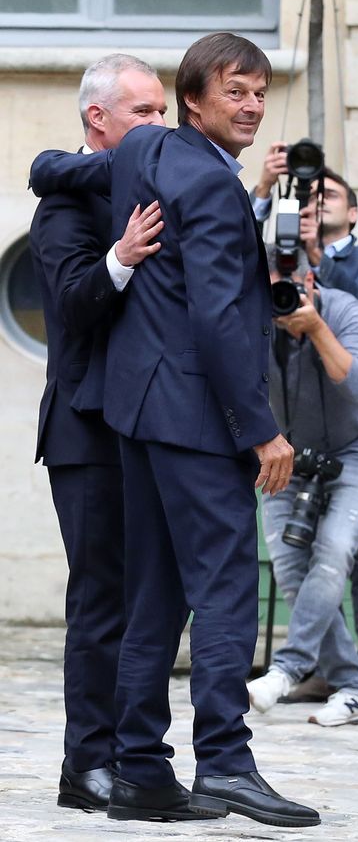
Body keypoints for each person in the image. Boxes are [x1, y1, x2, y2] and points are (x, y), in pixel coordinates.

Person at [30, 33, 320, 829]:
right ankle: (225, 761)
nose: (254, 106)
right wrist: (262, 431)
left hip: (136, 417)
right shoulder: (211, 184)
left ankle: (141, 771)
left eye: (261, 93)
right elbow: (219, 320)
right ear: (196, 101)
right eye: (236, 92)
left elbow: (57, 167)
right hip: (193, 420)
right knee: (224, 588)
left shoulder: (145, 155)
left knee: (153, 597)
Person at [29, 53, 167, 813]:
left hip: (147, 429)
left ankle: (136, 757)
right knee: (101, 602)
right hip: (85, 435)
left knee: (145, 601)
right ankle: (86, 766)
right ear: (99, 120)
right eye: (144, 112)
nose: (159, 124)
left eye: (161, 110)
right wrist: (120, 257)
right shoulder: (62, 207)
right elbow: (73, 308)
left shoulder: (143, 189)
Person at [252, 150, 358, 701]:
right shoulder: (255, 314)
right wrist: (263, 190)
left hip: (356, 442)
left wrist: (313, 324)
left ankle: (292, 668)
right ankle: (353, 681)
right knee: (293, 565)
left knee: (340, 551)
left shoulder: (351, 289)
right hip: (291, 446)